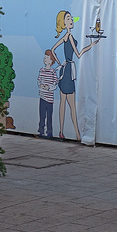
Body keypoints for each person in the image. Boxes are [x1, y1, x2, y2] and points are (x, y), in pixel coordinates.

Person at [51, 10, 99, 140]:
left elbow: (53, 49)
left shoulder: (66, 36)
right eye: (68, 18)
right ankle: (77, 134)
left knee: (63, 103)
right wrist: (90, 45)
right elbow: (78, 54)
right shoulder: (69, 36)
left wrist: (61, 64)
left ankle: (61, 131)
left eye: (71, 18)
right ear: (63, 22)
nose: (71, 20)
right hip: (68, 71)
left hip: (65, 70)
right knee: (71, 105)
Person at [37, 50, 59, 138]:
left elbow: (55, 83)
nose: (45, 59)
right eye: (45, 57)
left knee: (49, 116)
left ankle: (49, 132)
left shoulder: (53, 72)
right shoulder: (42, 70)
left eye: (47, 58)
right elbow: (39, 81)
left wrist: (49, 87)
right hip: (42, 97)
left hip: (49, 99)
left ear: (51, 61)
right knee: (42, 116)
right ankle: (41, 130)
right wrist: (41, 85)